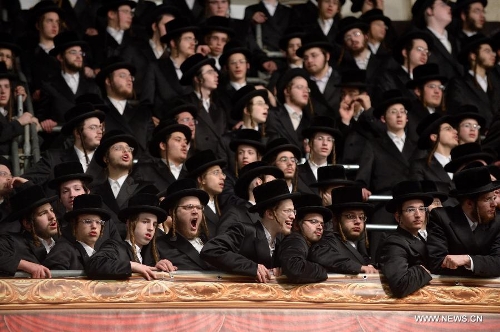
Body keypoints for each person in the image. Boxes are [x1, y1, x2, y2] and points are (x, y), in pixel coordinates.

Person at [201, 179, 300, 283]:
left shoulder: (280, 243)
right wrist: (252, 267)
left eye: (293, 211)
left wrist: (281, 270)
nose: (293, 216)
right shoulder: (244, 231)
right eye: (287, 211)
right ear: (270, 214)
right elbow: (211, 250)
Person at [427, 166, 500, 277]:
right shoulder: (441, 217)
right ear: (469, 203)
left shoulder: (497, 221)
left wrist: (468, 260)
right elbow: (436, 263)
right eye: (487, 199)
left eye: (493, 198)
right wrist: (485, 266)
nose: (494, 204)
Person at [87, 193, 176, 280]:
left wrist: (160, 266)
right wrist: (132, 265)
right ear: (129, 222)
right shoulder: (116, 247)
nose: (151, 228)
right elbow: (94, 264)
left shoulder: (150, 254)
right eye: (145, 222)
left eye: (154, 224)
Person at [23, 102, 106, 190]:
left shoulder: (107, 160)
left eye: (100, 127)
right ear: (78, 133)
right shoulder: (53, 158)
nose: (100, 132)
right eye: (93, 127)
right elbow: (24, 183)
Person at [376, 180, 434, 298]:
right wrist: (422, 271)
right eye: (411, 210)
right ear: (398, 217)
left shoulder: (421, 238)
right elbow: (400, 285)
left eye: (421, 209)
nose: (418, 214)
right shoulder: (393, 244)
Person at [91, 130, 153, 238]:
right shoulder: (94, 193)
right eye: (118, 148)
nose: (126, 151)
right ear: (106, 158)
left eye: (129, 149)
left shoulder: (147, 189)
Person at [38, 31, 100, 135]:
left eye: (81, 53)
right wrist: (45, 121)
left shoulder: (92, 86)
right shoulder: (49, 85)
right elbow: (42, 115)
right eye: (73, 52)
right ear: (60, 57)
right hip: (60, 142)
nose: (79, 56)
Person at [310, 186, 377, 275]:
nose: (358, 221)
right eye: (350, 216)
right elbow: (321, 255)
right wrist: (359, 267)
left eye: (361, 217)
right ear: (335, 219)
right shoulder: (327, 241)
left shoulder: (359, 243)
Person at [96, 57, 154, 159]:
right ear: (108, 81)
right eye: (122, 76)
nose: (129, 80)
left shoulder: (143, 113)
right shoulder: (98, 112)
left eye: (131, 77)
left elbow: (152, 146)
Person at [141, 19, 197, 118]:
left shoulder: (195, 70)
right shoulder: (156, 67)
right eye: (188, 39)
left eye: (194, 39)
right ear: (173, 43)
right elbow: (146, 102)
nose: (193, 43)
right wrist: (151, 120)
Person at [0, 184, 58, 278]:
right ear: (27, 224)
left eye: (51, 210)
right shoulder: (12, 242)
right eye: (43, 213)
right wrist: (26, 265)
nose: (52, 217)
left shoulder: (64, 242)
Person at [157, 178, 212, 271]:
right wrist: (157, 266)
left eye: (199, 207)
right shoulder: (159, 246)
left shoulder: (211, 243)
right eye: (189, 207)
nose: (195, 211)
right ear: (173, 212)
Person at [43, 194, 110, 270]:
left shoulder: (102, 256)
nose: (94, 226)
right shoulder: (63, 249)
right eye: (88, 221)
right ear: (75, 224)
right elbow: (53, 280)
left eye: (98, 222)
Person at [446, 34, 499, 130]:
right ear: (473, 56)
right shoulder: (458, 84)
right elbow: (458, 111)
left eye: (493, 51)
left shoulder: (496, 84)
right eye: (487, 51)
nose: (493, 54)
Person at [217, 161, 283, 235]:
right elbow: (221, 244)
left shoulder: (276, 217)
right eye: (273, 182)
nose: (277, 187)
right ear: (259, 182)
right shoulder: (235, 213)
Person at [179, 54, 227, 153]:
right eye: (210, 72)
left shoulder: (219, 108)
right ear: (197, 79)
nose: (216, 74)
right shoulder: (184, 104)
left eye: (214, 71)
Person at [278, 196, 332, 283]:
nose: (320, 227)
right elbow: (296, 269)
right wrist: (324, 269)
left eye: (322, 224)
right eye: (313, 221)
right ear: (296, 225)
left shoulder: (309, 242)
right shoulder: (294, 240)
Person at [375, 30, 433, 107]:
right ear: (405, 52)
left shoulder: (427, 79)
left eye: (426, 51)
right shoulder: (389, 77)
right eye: (419, 49)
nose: (424, 54)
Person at [410, 113, 458, 200]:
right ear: (434, 137)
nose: (455, 131)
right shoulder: (420, 166)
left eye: (453, 128)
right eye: (448, 129)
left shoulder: (461, 164)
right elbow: (419, 196)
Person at [135, 120, 191, 193]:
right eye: (178, 140)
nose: (184, 145)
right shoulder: (144, 171)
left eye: (186, 142)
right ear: (163, 145)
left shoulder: (190, 177)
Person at [411, 0, 462, 80]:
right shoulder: (421, 41)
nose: (449, 7)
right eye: (443, 4)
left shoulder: (456, 41)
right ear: (430, 11)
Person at [266, 68, 312, 153]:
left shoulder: (310, 121)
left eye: (307, 88)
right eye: (300, 87)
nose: (305, 91)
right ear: (287, 91)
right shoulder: (272, 115)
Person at [184, 149, 227, 238]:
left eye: (222, 173)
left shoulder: (223, 205)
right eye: (216, 173)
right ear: (201, 179)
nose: (222, 177)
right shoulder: (193, 209)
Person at [0, 62, 40, 155]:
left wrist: (32, 130)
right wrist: (20, 122)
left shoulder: (7, 113)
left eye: (6, 86)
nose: (3, 91)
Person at [299, 116, 342, 193]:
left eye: (329, 140)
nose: (325, 143)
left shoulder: (337, 175)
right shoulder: (297, 172)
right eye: (320, 138)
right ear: (310, 143)